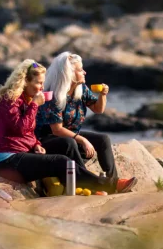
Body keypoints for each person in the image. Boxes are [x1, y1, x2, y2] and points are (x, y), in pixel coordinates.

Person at [35, 52, 137, 193]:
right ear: (69, 74)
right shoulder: (53, 95)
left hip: (71, 136)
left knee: (103, 139)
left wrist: (102, 95)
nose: (84, 72)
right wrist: (82, 140)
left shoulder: (81, 89)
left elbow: (98, 109)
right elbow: (57, 130)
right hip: (47, 140)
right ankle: (92, 184)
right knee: (69, 143)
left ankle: (113, 181)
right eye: (80, 70)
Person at [0, 59, 78, 185]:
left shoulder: (26, 99)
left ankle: (87, 182)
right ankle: (101, 183)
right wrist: (35, 105)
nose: (42, 87)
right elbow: (20, 128)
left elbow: (28, 132)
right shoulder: (8, 99)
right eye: (39, 83)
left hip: (22, 151)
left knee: (67, 143)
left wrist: (36, 144)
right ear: (25, 82)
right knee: (62, 161)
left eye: (43, 83)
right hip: (6, 160)